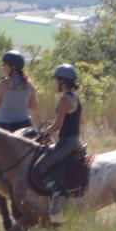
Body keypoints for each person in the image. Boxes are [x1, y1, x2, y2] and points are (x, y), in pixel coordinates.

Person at [0, 50, 39, 190]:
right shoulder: (30, 85)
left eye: (4, 65)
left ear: (12, 67)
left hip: (3, 125)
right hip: (24, 125)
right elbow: (34, 107)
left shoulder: (3, 85)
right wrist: (20, 103)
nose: (2, 67)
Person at [38, 63, 84, 222]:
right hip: (76, 140)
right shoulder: (75, 98)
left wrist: (45, 132)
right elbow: (81, 121)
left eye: (57, 80)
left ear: (63, 81)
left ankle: (58, 195)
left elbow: (58, 126)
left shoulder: (65, 99)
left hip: (67, 142)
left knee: (41, 166)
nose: (56, 83)